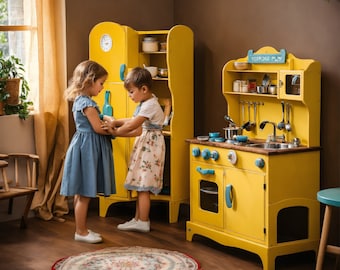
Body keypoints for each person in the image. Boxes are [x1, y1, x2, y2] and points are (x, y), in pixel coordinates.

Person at [102, 67, 165, 232]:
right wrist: (116, 124)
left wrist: (114, 131)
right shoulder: (145, 103)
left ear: (143, 89)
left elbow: (133, 125)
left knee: (144, 185)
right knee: (141, 184)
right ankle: (138, 218)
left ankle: (143, 221)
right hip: (146, 143)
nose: (130, 96)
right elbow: (134, 125)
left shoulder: (150, 105)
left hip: (150, 146)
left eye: (131, 92)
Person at [60, 60, 116, 243]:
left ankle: (81, 228)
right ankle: (81, 231)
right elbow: (98, 128)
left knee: (80, 192)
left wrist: (105, 118)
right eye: (101, 83)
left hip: (83, 146)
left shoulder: (81, 101)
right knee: (84, 194)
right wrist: (114, 129)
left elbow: (95, 120)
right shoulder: (88, 105)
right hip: (87, 149)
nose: (102, 87)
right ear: (90, 81)